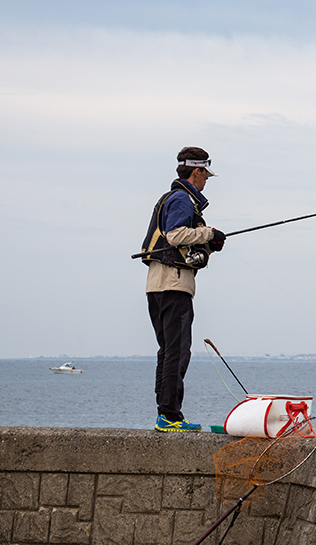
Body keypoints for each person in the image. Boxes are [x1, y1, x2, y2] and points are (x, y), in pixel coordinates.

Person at [139, 147, 226, 432]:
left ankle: (166, 413)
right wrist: (209, 234)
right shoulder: (182, 198)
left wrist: (206, 244)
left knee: (168, 350)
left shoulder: (171, 198)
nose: (206, 181)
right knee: (177, 351)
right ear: (196, 171)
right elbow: (176, 234)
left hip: (158, 285)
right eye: (205, 176)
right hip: (173, 285)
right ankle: (170, 416)